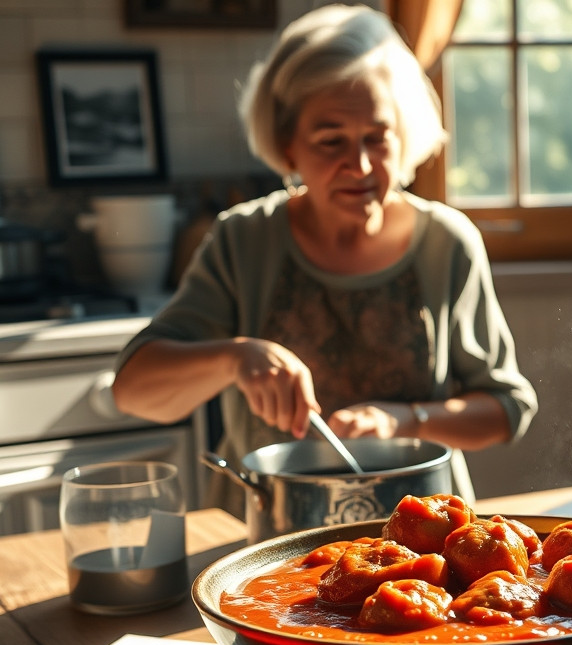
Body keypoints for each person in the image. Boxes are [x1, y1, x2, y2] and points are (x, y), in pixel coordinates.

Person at [112, 4, 538, 514]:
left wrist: (406, 420)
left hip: (423, 542)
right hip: (265, 537)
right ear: (287, 146)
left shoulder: (447, 242)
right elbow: (133, 391)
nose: (358, 165)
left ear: (403, 135)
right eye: (331, 140)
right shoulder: (244, 240)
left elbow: (507, 410)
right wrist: (236, 357)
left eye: (377, 138)